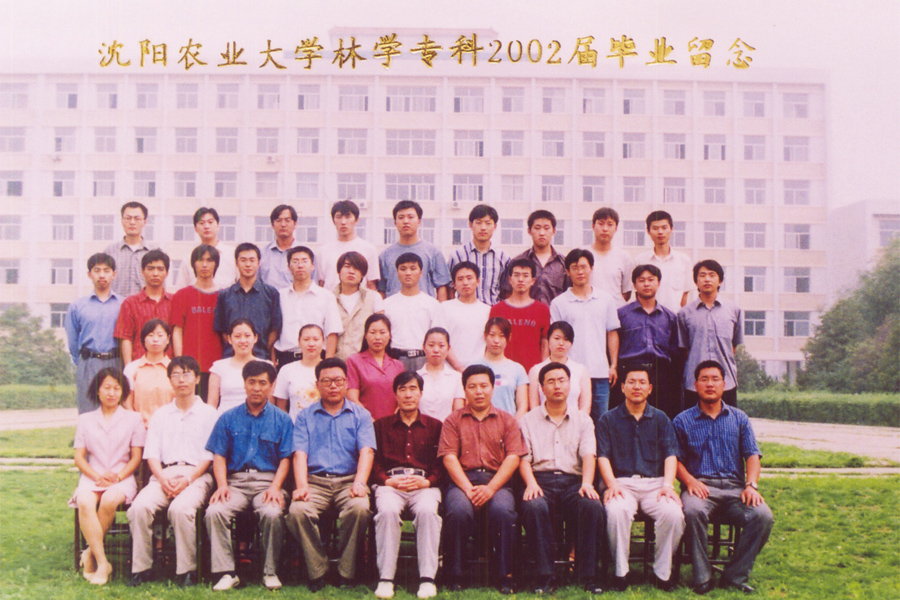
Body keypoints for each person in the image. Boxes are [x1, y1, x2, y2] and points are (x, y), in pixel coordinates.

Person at [673, 361, 774, 595]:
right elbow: (674, 459)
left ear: (724, 384)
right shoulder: (682, 420)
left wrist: (751, 485)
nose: (710, 384)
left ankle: (734, 576)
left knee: (762, 516)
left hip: (735, 489)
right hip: (700, 488)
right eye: (704, 379)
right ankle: (703, 577)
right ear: (695, 385)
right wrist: (689, 481)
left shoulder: (739, 418)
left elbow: (752, 454)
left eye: (715, 379)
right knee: (692, 511)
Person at [126, 356, 218, 588]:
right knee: (139, 507)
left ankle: (187, 570)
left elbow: (209, 456)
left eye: (186, 374)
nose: (181, 380)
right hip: (163, 474)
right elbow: (152, 455)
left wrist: (187, 479)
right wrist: (162, 478)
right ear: (170, 380)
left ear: (197, 379)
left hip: (197, 475)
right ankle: (141, 568)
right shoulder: (161, 415)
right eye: (175, 375)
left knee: (180, 509)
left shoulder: (210, 414)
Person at [287, 357, 376, 590]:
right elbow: (299, 454)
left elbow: (367, 452)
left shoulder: (361, 415)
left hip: (349, 481)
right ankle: (318, 569)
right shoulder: (305, 416)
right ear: (317, 385)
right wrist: (302, 486)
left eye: (338, 380)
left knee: (359, 508)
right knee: (297, 511)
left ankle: (346, 571)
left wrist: (359, 483)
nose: (333, 386)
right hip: (315, 482)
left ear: (347, 383)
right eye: (326, 381)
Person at [204, 360, 293, 591]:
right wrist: (222, 485)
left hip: (268, 482)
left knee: (272, 513)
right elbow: (219, 456)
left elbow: (286, 458)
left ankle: (270, 571)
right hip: (235, 483)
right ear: (244, 383)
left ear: (272, 386)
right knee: (215, 511)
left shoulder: (282, 419)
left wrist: (275, 487)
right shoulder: (227, 417)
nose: (256, 388)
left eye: (262, 383)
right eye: (251, 382)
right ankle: (226, 572)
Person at [438, 364, 526, 594]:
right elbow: (449, 458)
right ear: (464, 389)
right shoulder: (452, 420)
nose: (479, 391)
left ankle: (506, 574)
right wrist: (468, 489)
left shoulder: (507, 420)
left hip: (497, 481)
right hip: (462, 481)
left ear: (492, 388)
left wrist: (490, 488)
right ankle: (454, 573)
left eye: (484, 386)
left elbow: (513, 458)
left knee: (503, 511)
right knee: (458, 511)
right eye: (472, 386)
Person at [519, 362, 605, 594]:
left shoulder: (583, 420)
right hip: (540, 480)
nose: (557, 386)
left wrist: (587, 483)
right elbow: (524, 459)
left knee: (591, 506)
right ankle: (545, 576)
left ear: (570, 385)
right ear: (541, 388)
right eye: (551, 382)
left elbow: (589, 455)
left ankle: (588, 575)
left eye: (561, 381)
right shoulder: (527, 420)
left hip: (573, 482)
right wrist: (531, 484)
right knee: (534, 506)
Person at [597, 365, 684, 592]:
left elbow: (671, 455)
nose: (637, 387)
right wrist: (611, 484)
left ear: (650, 388)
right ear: (623, 387)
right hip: (621, 483)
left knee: (673, 514)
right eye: (632, 382)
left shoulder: (661, 419)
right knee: (616, 512)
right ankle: (620, 572)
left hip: (655, 484)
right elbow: (602, 456)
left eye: (642, 382)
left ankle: (662, 573)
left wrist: (668, 485)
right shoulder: (608, 419)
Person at [372, 371, 443, 600]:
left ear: (421, 393)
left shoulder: (435, 426)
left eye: (413, 389)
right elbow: (373, 462)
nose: (408, 394)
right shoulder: (381, 426)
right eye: (402, 389)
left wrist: (427, 481)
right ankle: (386, 578)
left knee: (427, 512)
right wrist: (387, 480)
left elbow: (442, 464)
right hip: (391, 484)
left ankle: (427, 578)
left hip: (424, 485)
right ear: (395, 394)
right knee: (387, 511)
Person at [70, 368, 145, 586]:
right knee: (85, 501)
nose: (111, 393)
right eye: (107, 388)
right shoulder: (85, 419)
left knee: (110, 500)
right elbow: (79, 457)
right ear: (98, 390)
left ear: (123, 392)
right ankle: (103, 562)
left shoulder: (134, 418)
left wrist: (117, 477)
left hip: (122, 477)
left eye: (117, 388)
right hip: (93, 475)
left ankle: (89, 553)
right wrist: (97, 476)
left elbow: (136, 457)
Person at [550, 249, 620, 424]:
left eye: (583, 267)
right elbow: (555, 337)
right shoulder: (559, 303)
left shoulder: (606, 299)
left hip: (600, 372)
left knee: (601, 421)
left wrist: (613, 365)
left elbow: (612, 332)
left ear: (591, 268)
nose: (580, 272)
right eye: (575, 268)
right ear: (568, 272)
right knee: (571, 420)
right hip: (570, 372)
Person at [613, 264, 681, 418]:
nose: (646, 284)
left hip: (661, 375)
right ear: (634, 284)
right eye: (641, 280)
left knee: (660, 418)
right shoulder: (621, 315)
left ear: (658, 283)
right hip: (629, 372)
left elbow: (675, 351)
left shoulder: (669, 317)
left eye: (651, 280)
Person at [678, 259, 743, 407]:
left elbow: (733, 348)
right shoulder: (684, 314)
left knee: (727, 420)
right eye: (702, 275)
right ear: (696, 282)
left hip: (726, 382)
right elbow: (684, 350)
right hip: (694, 383)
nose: (707, 279)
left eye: (712, 275)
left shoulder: (733, 310)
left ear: (720, 281)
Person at [66, 253, 123, 414]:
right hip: (88, 362)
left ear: (114, 274)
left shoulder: (124, 304)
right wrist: (82, 362)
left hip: (116, 362)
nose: (102, 275)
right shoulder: (77, 306)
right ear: (89, 274)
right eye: (97, 270)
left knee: (116, 411)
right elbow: (72, 341)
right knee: (88, 411)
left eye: (106, 270)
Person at [169, 244, 223, 401]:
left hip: (217, 368)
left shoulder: (224, 296)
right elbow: (177, 331)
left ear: (216, 265)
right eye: (200, 260)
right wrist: (180, 363)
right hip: (190, 369)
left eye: (209, 260)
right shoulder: (182, 295)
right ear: (193, 264)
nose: (204, 265)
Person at [274, 246, 342, 369]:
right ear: (288, 267)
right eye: (295, 261)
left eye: (304, 261)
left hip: (317, 358)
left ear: (312, 266)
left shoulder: (326, 296)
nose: (300, 265)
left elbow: (332, 332)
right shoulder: (280, 296)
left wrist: (327, 363)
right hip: (286, 358)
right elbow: (274, 331)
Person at [213, 242, 282, 361]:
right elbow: (222, 329)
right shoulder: (225, 295)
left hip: (260, 357)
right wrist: (236, 348)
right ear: (236, 263)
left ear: (259, 263)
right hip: (232, 358)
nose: (248, 264)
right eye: (243, 260)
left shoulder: (271, 294)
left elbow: (275, 328)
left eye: (252, 260)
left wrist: (264, 349)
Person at [377, 200, 451, 300]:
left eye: (410, 217)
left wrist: (439, 308)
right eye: (401, 217)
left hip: (424, 307)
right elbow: (381, 289)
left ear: (419, 221)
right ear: (395, 223)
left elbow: (442, 287)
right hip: (393, 308)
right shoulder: (385, 255)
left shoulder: (433, 252)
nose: (406, 221)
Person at [489, 258, 551, 373]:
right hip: (503, 372)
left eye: (525, 275)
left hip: (532, 372)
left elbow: (544, 343)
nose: (521, 279)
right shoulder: (497, 309)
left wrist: (543, 370)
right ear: (510, 280)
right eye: (516, 275)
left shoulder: (542, 310)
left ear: (532, 281)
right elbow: (490, 342)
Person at [382, 253, 440, 371]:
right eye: (403, 269)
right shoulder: (386, 304)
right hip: (395, 359)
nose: (408, 273)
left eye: (413, 268)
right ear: (397, 272)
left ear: (421, 272)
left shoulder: (432, 304)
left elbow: (437, 337)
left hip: (423, 358)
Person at [114, 249, 173, 365]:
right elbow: (125, 338)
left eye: (160, 269)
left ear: (167, 273)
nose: (155, 273)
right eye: (150, 268)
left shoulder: (175, 301)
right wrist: (129, 368)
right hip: (139, 365)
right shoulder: (130, 303)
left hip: (168, 366)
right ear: (142, 271)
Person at [498, 210, 569, 305]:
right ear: (529, 231)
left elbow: (570, 293)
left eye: (546, 228)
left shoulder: (564, 263)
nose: (542, 233)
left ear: (554, 231)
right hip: (526, 313)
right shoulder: (517, 262)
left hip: (555, 314)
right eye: (537, 228)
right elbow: (507, 294)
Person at [346, 314, 405, 421]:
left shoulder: (398, 365)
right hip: (364, 423)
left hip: (393, 424)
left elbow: (402, 399)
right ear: (365, 335)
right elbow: (352, 398)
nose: (377, 337)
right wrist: (370, 420)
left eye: (382, 332)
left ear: (389, 335)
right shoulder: (354, 361)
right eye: (372, 332)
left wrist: (392, 421)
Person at [209, 319, 274, 414]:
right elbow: (211, 406)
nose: (243, 341)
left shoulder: (267, 366)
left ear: (255, 338)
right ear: (230, 339)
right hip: (225, 420)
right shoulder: (218, 367)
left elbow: (271, 404)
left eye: (247, 336)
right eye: (237, 336)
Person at [448, 205, 509, 305]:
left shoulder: (503, 258)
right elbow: (450, 287)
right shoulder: (457, 256)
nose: (483, 228)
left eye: (488, 223)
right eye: (478, 223)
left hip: (492, 311)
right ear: (470, 225)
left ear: (495, 226)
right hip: (464, 310)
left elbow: (507, 290)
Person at [435, 261, 490, 370]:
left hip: (478, 371)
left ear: (478, 281)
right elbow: (440, 340)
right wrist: (459, 367)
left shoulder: (487, 310)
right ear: (454, 285)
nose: (465, 283)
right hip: (449, 370)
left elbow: (489, 344)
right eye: (460, 279)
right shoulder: (444, 308)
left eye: (469, 278)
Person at [316, 200, 380, 292]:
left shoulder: (369, 249)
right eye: (338, 217)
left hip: (359, 300)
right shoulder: (323, 251)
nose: (343, 222)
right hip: (330, 299)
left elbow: (371, 284)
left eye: (348, 216)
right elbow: (321, 284)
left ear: (356, 220)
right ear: (333, 221)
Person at [470, 317, 529, 419]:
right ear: (485, 336)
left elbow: (523, 406)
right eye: (492, 335)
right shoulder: (472, 367)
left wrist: (512, 426)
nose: (496, 341)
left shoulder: (517, 369)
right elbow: (467, 402)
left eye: (501, 336)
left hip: (508, 425)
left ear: (508, 338)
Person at [635, 211, 693, 313]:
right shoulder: (640, 261)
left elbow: (684, 297)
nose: (660, 232)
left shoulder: (684, 261)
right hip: (647, 318)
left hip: (674, 318)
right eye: (655, 228)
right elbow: (637, 294)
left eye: (664, 227)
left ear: (671, 229)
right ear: (648, 231)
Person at [527, 321, 590, 413]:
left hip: (574, 420)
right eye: (557, 338)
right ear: (548, 340)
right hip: (544, 420)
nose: (561, 343)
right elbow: (534, 407)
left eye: (566, 339)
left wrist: (579, 421)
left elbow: (585, 406)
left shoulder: (581, 370)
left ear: (571, 343)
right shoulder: (536, 370)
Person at [333, 251, 384, 360]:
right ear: (339, 271)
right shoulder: (328, 298)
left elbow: (380, 330)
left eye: (356, 268)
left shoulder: (373, 297)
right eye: (347, 266)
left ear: (363, 274)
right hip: (336, 361)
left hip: (365, 361)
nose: (351, 271)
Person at [123, 319, 174, 426]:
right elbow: (127, 403)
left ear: (168, 339)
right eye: (150, 335)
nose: (155, 339)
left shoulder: (175, 368)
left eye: (160, 335)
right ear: (143, 340)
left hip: (169, 427)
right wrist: (138, 425)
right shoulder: (132, 368)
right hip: (139, 427)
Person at [173, 207, 236, 290]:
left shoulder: (233, 255)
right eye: (201, 223)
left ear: (218, 225)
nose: (206, 226)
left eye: (210, 222)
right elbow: (180, 290)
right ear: (195, 228)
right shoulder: (188, 259)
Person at [104, 201, 156, 297]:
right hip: (117, 305)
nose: (132, 222)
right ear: (122, 221)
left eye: (137, 218)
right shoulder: (110, 252)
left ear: (144, 222)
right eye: (128, 218)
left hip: (145, 305)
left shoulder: (154, 252)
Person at [273, 324, 323, 421]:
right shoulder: (287, 370)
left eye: (316, 339)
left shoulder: (331, 369)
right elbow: (281, 406)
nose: (311, 344)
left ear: (323, 341)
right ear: (299, 342)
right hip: (296, 427)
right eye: (306, 339)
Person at [587, 207, 633, 307]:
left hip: (615, 311)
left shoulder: (624, 257)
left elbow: (626, 292)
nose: (605, 229)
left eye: (610, 224)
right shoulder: (583, 254)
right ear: (593, 226)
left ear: (616, 228)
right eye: (601, 223)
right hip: (588, 309)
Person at [417, 327, 465, 421]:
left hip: (447, 428)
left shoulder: (457, 378)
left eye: (441, 345)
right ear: (424, 348)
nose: (436, 350)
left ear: (448, 348)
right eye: (431, 345)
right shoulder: (416, 377)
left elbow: (458, 413)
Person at [259, 204, 302, 290]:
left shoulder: (305, 254)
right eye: (278, 220)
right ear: (272, 225)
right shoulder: (262, 253)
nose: (283, 224)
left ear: (295, 224)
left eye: (287, 220)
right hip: (268, 298)